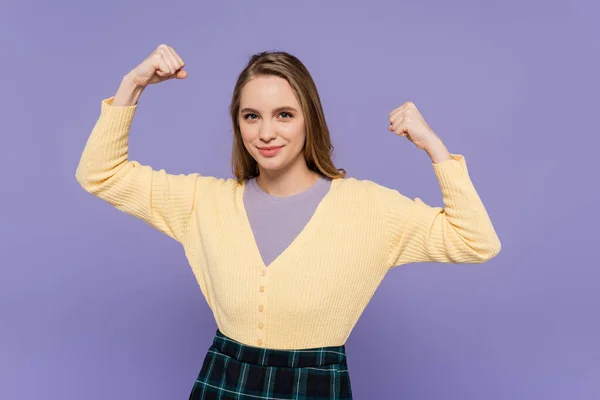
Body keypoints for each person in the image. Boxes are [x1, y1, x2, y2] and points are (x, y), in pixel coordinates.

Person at [75, 44, 501, 399]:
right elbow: (100, 173)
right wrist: (133, 85)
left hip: (316, 385)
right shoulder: (203, 202)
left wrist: (434, 147)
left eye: (284, 114)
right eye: (251, 116)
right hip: (225, 384)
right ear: (238, 124)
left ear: (308, 119)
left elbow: (476, 241)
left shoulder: (369, 209)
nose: (266, 133)